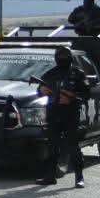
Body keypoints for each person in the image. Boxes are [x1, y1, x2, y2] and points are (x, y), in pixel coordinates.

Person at [36, 46, 90, 188]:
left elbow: (86, 94)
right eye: (60, 56)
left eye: (65, 56)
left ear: (70, 57)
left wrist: (71, 98)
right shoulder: (50, 74)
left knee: (72, 146)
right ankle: (50, 176)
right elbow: (39, 91)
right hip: (53, 114)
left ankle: (79, 177)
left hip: (70, 114)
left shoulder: (78, 74)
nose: (62, 59)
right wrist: (42, 90)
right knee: (52, 146)